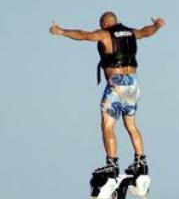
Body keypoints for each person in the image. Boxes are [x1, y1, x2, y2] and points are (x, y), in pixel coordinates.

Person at [49, 12, 165, 177]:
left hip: (116, 84)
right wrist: (157, 26)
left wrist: (61, 31)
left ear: (104, 24)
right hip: (133, 83)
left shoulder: (104, 34)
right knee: (131, 125)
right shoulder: (131, 32)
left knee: (107, 125)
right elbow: (146, 32)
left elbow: (83, 35)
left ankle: (112, 164)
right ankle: (141, 163)